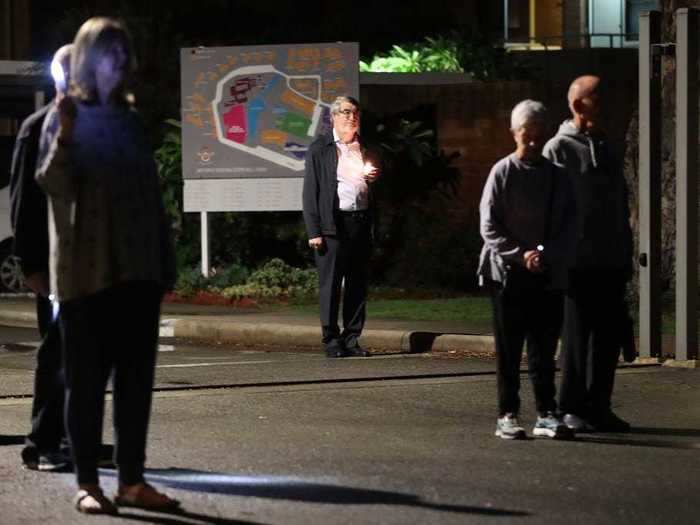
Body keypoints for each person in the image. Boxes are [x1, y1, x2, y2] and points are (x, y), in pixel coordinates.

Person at [36, 17, 177, 514]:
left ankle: (133, 481)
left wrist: (165, 262)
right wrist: (68, 132)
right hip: (86, 273)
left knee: (136, 384)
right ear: (91, 58)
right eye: (111, 54)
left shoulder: (130, 118)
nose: (120, 63)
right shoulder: (67, 113)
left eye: (124, 54)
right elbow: (51, 182)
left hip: (138, 272)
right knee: (87, 384)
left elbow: (149, 198)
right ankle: (89, 484)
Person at [478, 100, 575, 440]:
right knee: (509, 349)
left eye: (537, 136)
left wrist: (544, 253)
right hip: (506, 274)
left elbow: (567, 224)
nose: (532, 143)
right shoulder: (502, 172)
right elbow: (489, 227)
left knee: (543, 348)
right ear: (514, 134)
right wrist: (522, 255)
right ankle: (508, 413)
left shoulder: (555, 177)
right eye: (525, 135)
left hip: (545, 271)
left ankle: (547, 412)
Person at [543, 75, 633, 433]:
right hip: (576, 261)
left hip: (609, 258)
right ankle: (571, 407)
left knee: (608, 337)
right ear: (579, 104)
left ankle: (600, 405)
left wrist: (624, 249)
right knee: (578, 338)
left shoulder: (606, 147)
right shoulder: (559, 149)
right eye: (601, 96)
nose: (608, 102)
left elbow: (619, 204)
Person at [9, 44, 73, 472]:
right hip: (51, 267)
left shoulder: (87, 128)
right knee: (55, 354)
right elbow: (23, 204)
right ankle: (41, 442)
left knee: (80, 356)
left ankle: (71, 437)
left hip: (83, 266)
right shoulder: (37, 129)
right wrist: (30, 267)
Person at [302, 96, 379, 358]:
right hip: (332, 224)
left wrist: (375, 178)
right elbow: (310, 192)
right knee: (331, 284)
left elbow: (376, 184)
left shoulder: (365, 147)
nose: (351, 116)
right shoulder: (320, 148)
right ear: (333, 117)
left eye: (355, 112)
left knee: (358, 284)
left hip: (360, 221)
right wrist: (314, 231)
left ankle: (352, 338)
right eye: (345, 112)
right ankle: (331, 339)